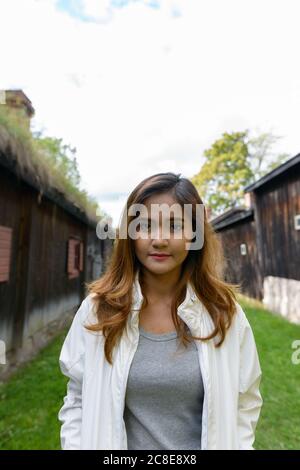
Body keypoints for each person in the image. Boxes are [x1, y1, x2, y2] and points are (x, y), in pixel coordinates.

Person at [58, 172, 263, 450]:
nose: (160, 240)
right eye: (146, 226)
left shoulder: (225, 314)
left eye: (175, 226)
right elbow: (77, 398)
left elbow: (245, 400)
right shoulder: (98, 310)